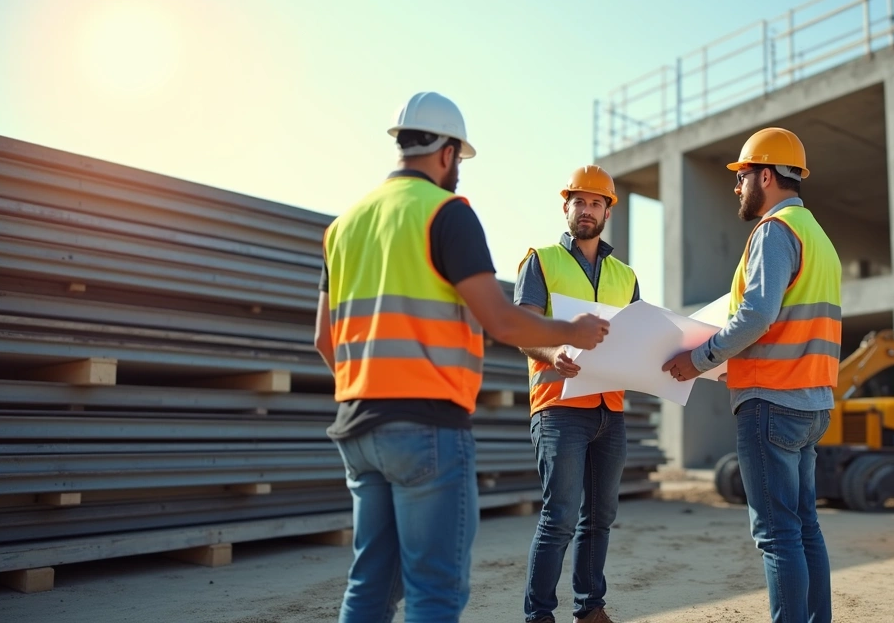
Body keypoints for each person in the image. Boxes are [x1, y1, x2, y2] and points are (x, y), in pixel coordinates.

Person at [313, 91, 610, 623]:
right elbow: (499, 318)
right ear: (447, 152)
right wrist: (574, 331)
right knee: (435, 591)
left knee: (370, 586)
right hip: (427, 423)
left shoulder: (344, 225)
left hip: (357, 425)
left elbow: (323, 339)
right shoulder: (447, 214)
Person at [662, 127, 841, 623]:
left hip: (773, 403)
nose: (737, 187)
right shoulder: (818, 237)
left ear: (766, 175)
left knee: (778, 534)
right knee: (804, 528)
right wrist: (731, 362)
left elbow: (758, 316)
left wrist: (699, 360)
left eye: (742, 177)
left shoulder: (774, 231)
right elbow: (783, 326)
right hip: (812, 403)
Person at [513, 165, 639, 623]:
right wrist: (552, 352)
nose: (586, 210)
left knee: (599, 518)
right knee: (561, 517)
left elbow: (638, 338)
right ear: (566, 206)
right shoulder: (542, 260)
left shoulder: (626, 275)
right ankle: (539, 615)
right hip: (559, 407)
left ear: (608, 210)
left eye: (596, 203)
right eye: (579, 202)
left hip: (611, 409)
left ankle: (590, 609)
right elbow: (521, 328)